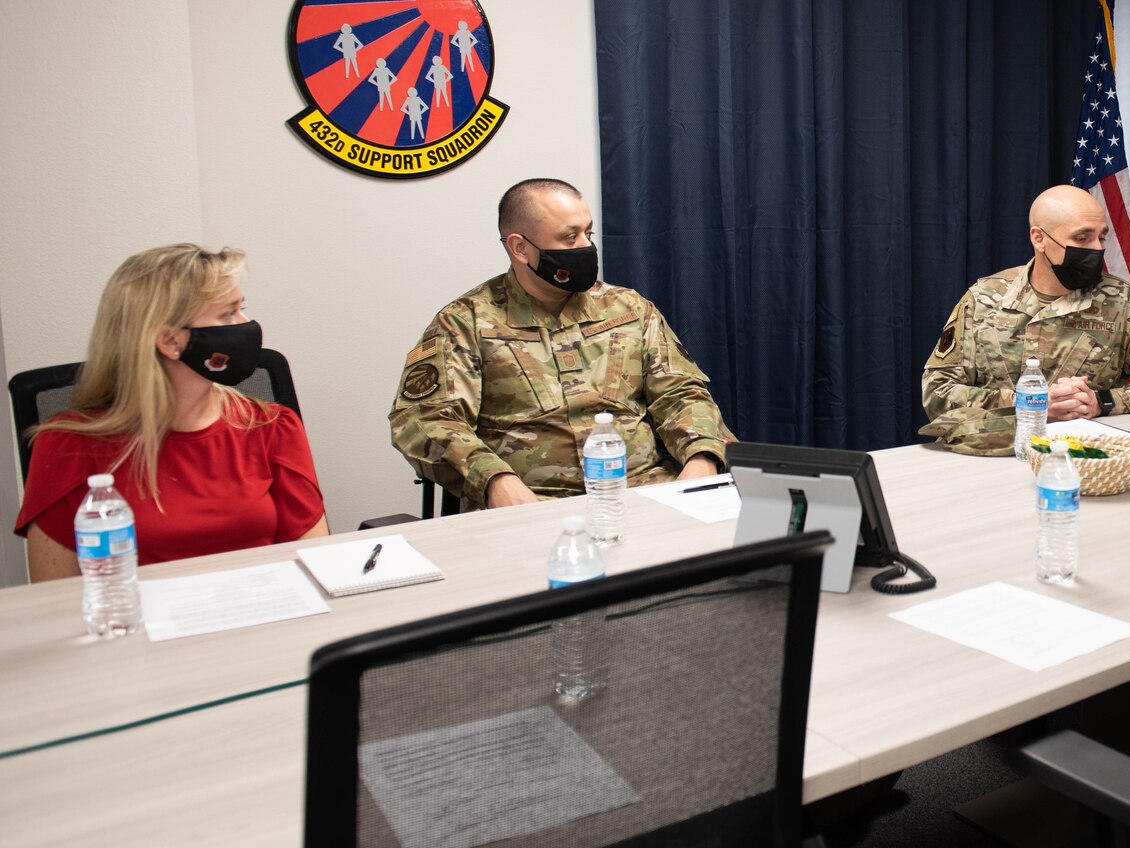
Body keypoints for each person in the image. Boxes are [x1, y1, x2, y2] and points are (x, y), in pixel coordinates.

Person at [390, 178, 732, 508]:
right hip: (532, 504)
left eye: (588, 233)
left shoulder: (628, 309)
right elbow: (426, 419)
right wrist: (493, 480)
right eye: (569, 238)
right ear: (520, 247)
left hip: (643, 493)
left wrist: (702, 457)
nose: (585, 246)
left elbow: (681, 393)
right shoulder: (467, 322)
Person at [13, 244, 327, 580]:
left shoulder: (270, 426)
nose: (246, 324)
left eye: (242, 309)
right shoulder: (68, 446)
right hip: (138, 627)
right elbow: (55, 599)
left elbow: (317, 564)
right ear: (170, 341)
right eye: (228, 314)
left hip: (266, 618)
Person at [920, 184, 1130, 453]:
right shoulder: (984, 300)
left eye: (1101, 237)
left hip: (1085, 459)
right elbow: (937, 391)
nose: (1097, 249)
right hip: (993, 452)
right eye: (1081, 238)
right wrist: (1030, 403)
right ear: (1039, 238)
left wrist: (1103, 401)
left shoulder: (1125, 303)